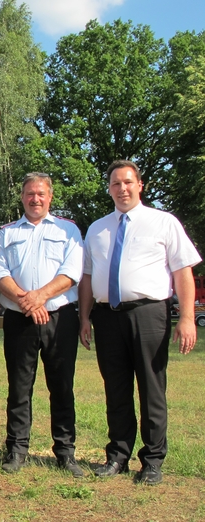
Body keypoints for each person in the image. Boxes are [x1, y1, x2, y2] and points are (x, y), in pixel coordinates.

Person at [78, 159, 201, 486]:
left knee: (151, 388)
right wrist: (84, 318)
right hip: (106, 317)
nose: (122, 189)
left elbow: (183, 272)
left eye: (128, 182)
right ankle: (117, 455)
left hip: (148, 314)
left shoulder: (164, 222)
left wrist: (187, 318)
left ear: (140, 185)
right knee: (116, 389)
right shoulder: (97, 229)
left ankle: (153, 460)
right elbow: (87, 277)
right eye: (116, 184)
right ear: (109, 189)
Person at [0, 172, 84, 476]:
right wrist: (28, 302)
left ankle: (65, 452)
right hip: (19, 319)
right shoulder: (6, 233)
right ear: (22, 197)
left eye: (41, 193)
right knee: (19, 388)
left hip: (60, 317)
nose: (35, 199)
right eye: (30, 193)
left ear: (50, 197)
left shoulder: (68, 230)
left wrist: (40, 297)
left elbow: (72, 273)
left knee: (62, 386)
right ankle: (17, 450)